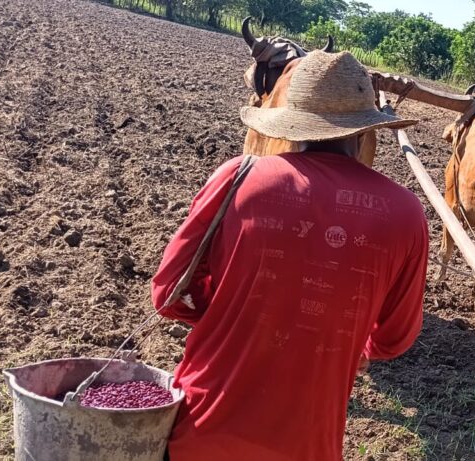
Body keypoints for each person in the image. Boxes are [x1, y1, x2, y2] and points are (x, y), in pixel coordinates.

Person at [151, 51, 429, 461]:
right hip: (308, 447)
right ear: (365, 131)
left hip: (200, 433)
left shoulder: (236, 178)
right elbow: (394, 338)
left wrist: (238, 314)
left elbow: (169, 295)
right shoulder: (406, 213)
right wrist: (350, 342)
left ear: (292, 123)